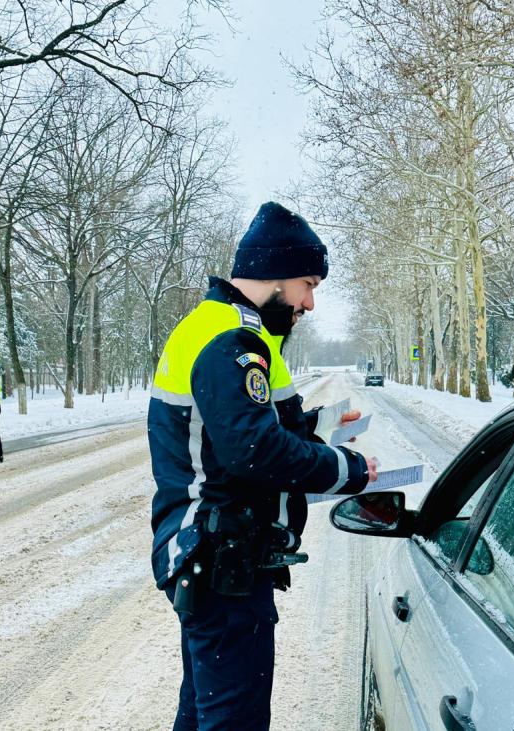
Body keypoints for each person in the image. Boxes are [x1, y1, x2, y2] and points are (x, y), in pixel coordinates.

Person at [148, 202, 378, 731]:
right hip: (221, 558)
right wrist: (351, 470)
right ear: (275, 275)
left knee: (204, 712)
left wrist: (319, 426)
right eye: (307, 283)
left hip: (209, 556)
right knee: (234, 720)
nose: (310, 303)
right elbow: (256, 450)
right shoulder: (233, 339)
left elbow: (237, 429)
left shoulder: (222, 327)